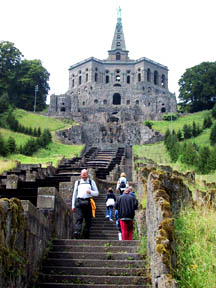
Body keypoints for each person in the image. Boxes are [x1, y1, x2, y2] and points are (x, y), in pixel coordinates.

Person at [72, 169, 99, 239]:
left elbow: (97, 193)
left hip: (88, 202)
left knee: (88, 220)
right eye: (82, 175)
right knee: (79, 218)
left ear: (87, 175)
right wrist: (73, 205)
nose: (84, 177)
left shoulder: (91, 182)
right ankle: (77, 233)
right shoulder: (77, 182)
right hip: (79, 202)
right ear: (81, 175)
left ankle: (86, 233)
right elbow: (74, 194)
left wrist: (91, 192)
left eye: (85, 175)